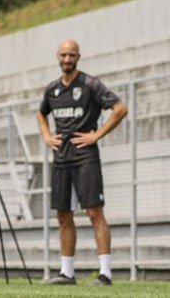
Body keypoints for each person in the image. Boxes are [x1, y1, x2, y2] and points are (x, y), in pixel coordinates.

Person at [38, 40, 127, 286]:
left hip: (85, 157)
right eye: (63, 55)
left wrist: (96, 135)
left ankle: (105, 273)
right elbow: (41, 113)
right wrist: (47, 136)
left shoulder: (90, 84)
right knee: (63, 215)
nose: (67, 59)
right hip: (61, 158)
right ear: (57, 56)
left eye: (71, 55)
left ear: (78, 57)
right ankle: (67, 273)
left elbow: (120, 109)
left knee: (94, 212)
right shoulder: (52, 89)